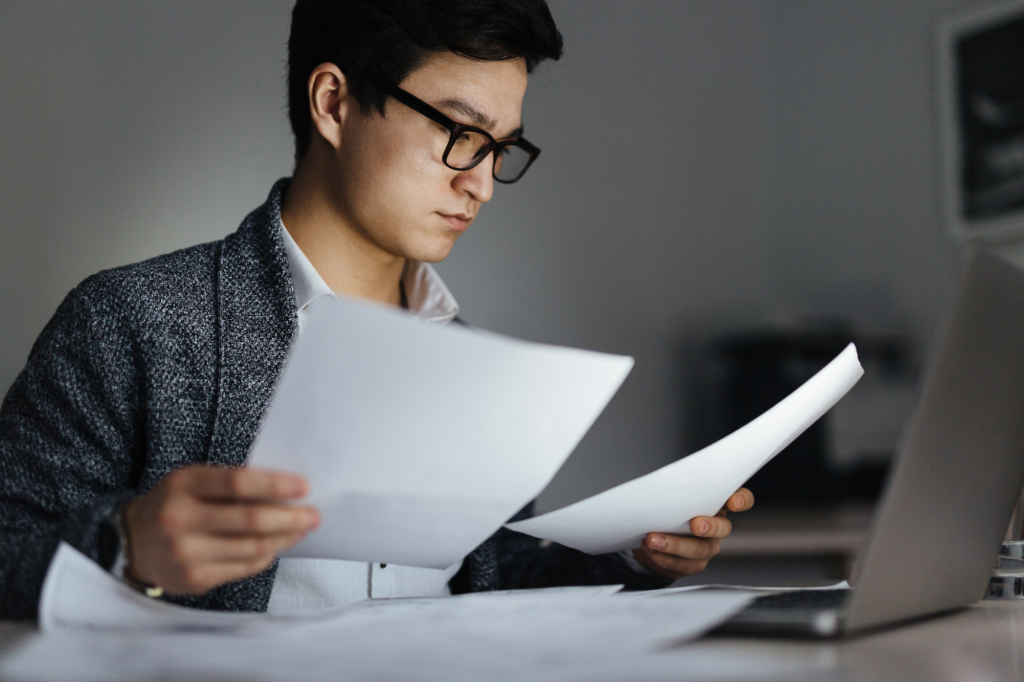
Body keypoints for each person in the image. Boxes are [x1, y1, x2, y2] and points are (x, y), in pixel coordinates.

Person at [0, 0, 753, 619]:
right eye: (460, 135)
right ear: (334, 104)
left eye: (502, 148)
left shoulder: (469, 360)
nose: (482, 184)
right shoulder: (134, 320)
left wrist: (630, 553)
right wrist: (130, 549)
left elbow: (489, 578)